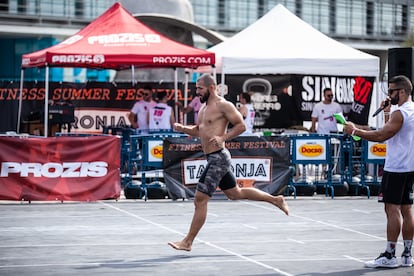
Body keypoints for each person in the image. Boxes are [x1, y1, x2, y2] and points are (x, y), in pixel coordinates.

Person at [168, 73, 289, 252]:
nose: (197, 92)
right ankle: (275, 199)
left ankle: (188, 242)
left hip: (218, 158)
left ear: (211, 88)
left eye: (200, 88)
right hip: (212, 157)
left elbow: (241, 125)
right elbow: (199, 130)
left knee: (200, 199)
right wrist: (182, 128)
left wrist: (223, 137)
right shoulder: (203, 109)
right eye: (196, 88)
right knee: (235, 193)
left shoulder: (223, 105)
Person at [343, 75, 414, 268]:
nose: (389, 95)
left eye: (391, 91)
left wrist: (354, 131)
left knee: (392, 209)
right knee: (407, 208)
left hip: (397, 166)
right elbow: (393, 131)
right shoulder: (408, 110)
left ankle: (390, 255)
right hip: (409, 166)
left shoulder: (401, 113)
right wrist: (387, 111)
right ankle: (407, 254)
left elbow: (382, 135)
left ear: (401, 92)